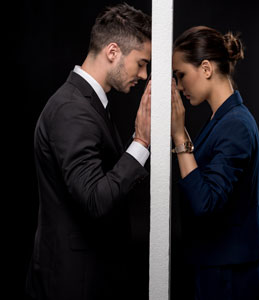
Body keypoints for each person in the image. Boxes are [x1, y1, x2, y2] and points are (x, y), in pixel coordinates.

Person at [26, 3, 151, 300]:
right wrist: (142, 142)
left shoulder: (87, 104)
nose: (144, 75)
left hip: (89, 274)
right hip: (73, 282)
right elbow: (95, 199)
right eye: (142, 63)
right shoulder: (73, 110)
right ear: (112, 52)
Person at [171, 26, 259, 300]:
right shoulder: (222, 119)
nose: (179, 86)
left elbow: (205, 202)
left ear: (205, 68)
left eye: (180, 75)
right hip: (217, 263)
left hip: (229, 271)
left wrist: (179, 136)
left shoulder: (235, 124)